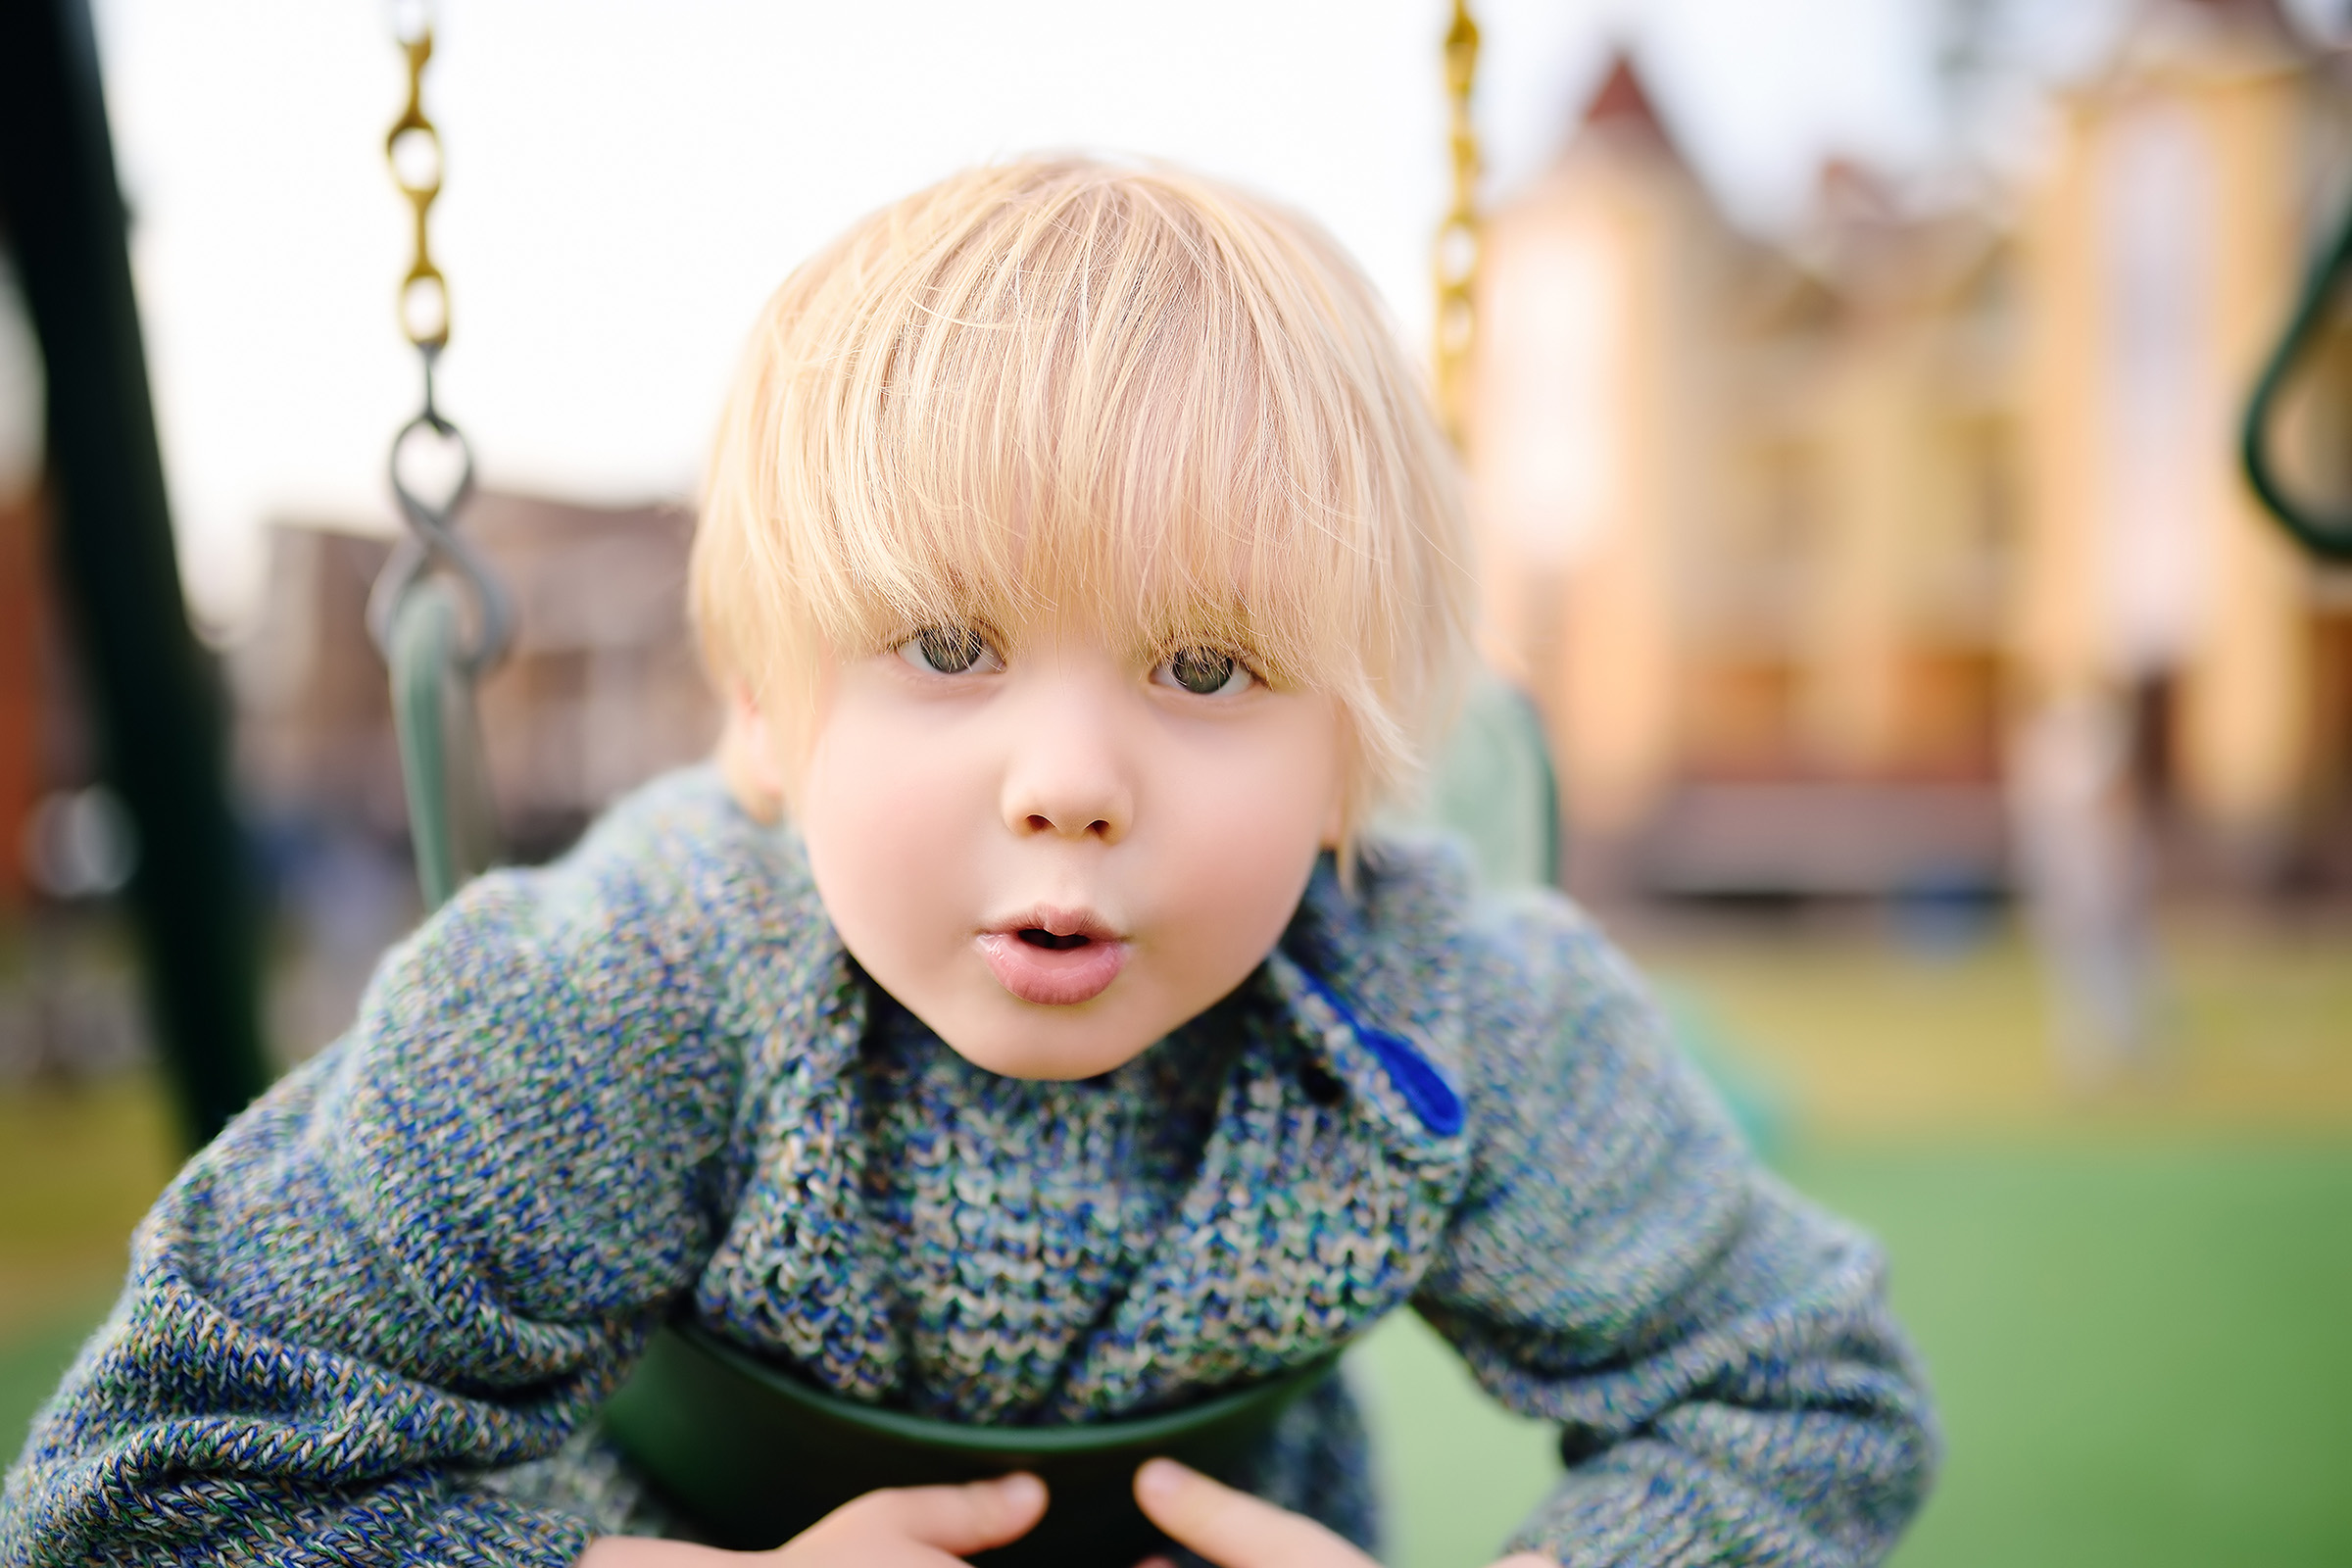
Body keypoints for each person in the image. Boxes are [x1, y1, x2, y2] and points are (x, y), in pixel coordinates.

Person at [0, 159, 1935, 1568]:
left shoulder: (1450, 1012)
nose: (1072, 782)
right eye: (947, 648)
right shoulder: (616, 993)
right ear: (762, 710)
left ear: (1357, 754)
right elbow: (158, 1475)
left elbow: (1801, 1399)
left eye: (1204, 664)